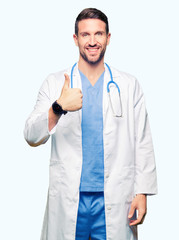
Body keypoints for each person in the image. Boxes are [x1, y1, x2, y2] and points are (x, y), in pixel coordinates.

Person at [24, 8, 157, 240]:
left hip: (115, 199)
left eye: (99, 34)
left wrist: (142, 192)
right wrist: (58, 107)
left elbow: (142, 140)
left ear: (108, 38)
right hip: (70, 199)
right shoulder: (55, 82)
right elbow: (31, 135)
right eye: (85, 35)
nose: (93, 41)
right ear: (75, 39)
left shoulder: (129, 85)